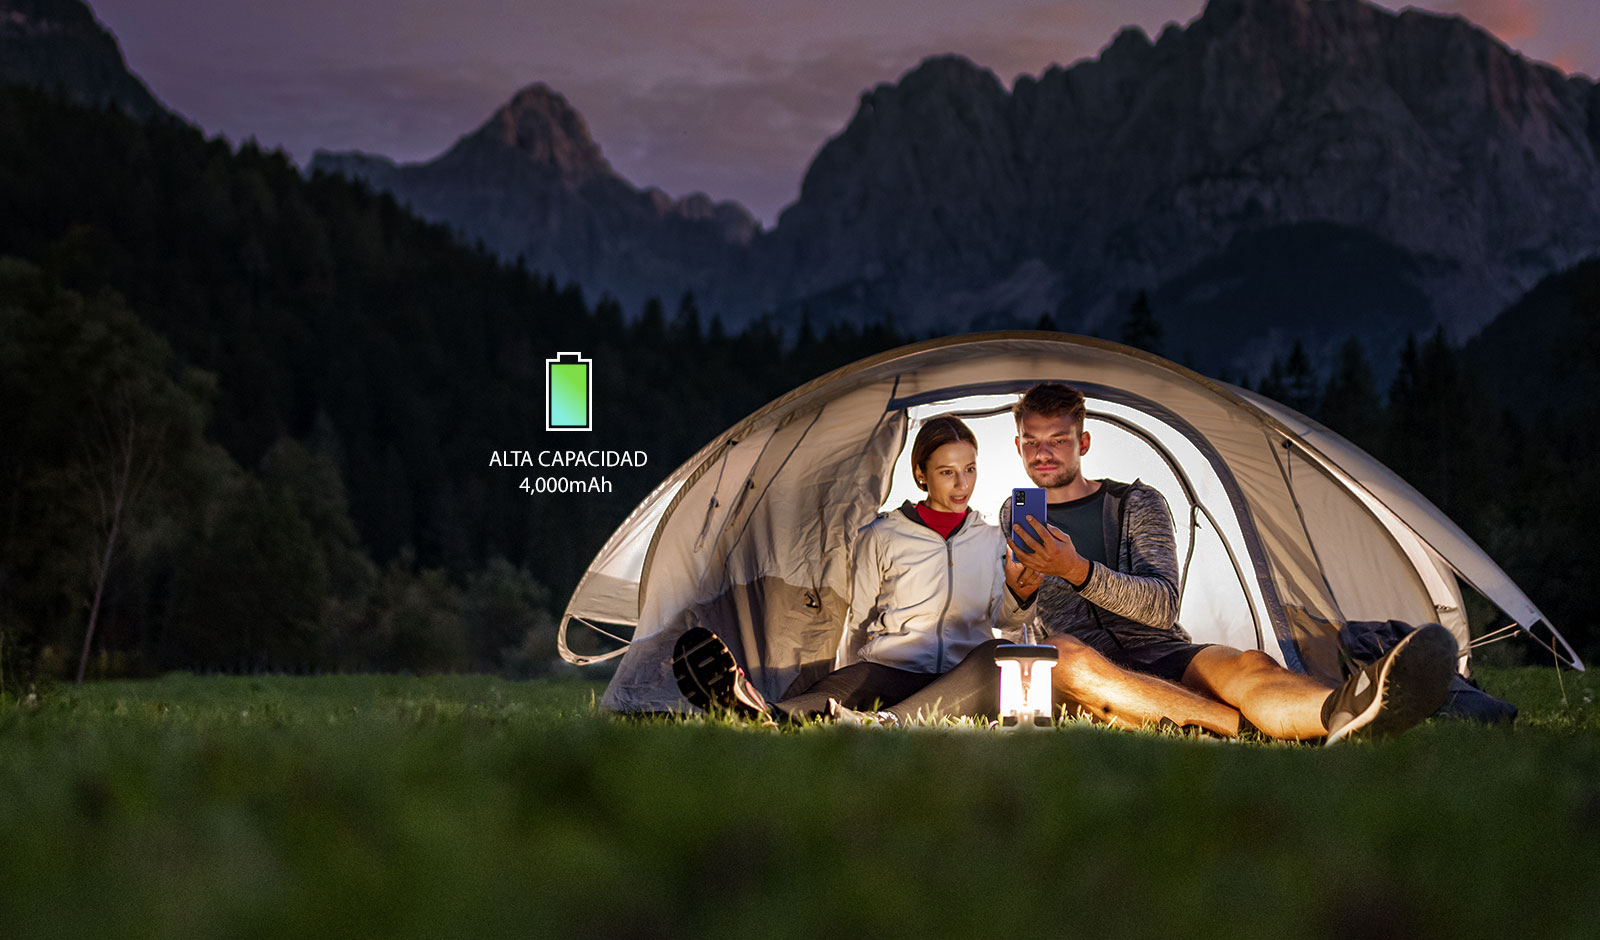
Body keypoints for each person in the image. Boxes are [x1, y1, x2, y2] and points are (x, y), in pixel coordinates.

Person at [999, 382, 1457, 742]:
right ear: (1018, 447)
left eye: (1058, 439)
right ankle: (1249, 728)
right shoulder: (1013, 515)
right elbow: (1017, 624)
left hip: (1163, 649)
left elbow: (1162, 608)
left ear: (1084, 442)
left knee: (1247, 665)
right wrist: (1021, 593)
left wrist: (1077, 570)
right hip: (1087, 663)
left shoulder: (1137, 502)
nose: (1043, 453)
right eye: (1032, 442)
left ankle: (1345, 708)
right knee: (1056, 655)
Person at [671, 415, 1035, 723]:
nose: (963, 484)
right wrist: (852, 675)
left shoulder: (991, 540)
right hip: (894, 669)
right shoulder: (881, 535)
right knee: (836, 688)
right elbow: (859, 624)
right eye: (947, 472)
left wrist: (1021, 593)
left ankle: (881, 723)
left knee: (998, 654)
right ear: (921, 474)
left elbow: (1009, 622)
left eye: (970, 469)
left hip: (964, 675)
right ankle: (765, 712)